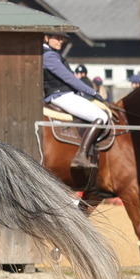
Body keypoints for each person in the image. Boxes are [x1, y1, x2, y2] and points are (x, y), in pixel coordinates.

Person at [42, 32, 109, 173]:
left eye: (62, 38)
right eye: (57, 38)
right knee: (101, 116)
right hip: (60, 95)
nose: (61, 41)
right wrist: (92, 92)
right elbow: (69, 78)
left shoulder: (52, 54)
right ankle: (81, 155)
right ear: (46, 38)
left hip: (65, 94)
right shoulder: (48, 56)